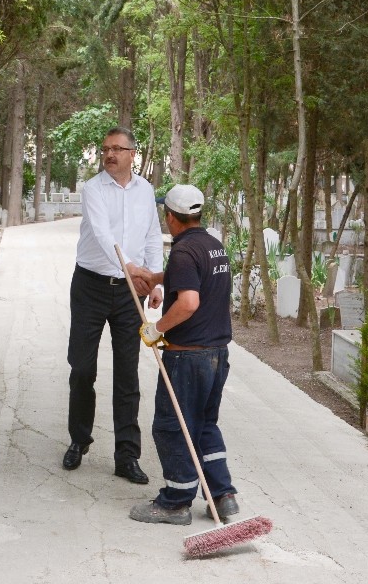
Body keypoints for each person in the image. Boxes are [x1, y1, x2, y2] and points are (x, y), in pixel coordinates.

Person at [126, 184, 237, 525]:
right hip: (217, 354)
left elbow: (189, 302)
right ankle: (223, 496)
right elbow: (194, 277)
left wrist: (157, 329)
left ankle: (175, 502)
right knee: (204, 427)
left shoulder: (183, 252)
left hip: (188, 357)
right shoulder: (212, 246)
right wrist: (153, 276)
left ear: (170, 217)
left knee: (173, 427)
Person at [63, 126, 163, 484]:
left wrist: (151, 280)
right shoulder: (93, 189)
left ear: (132, 155)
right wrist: (130, 267)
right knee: (82, 369)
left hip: (129, 292)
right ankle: (79, 439)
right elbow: (104, 235)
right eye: (105, 148)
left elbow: (152, 235)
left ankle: (127, 455)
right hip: (90, 286)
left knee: (127, 374)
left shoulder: (146, 190)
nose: (109, 154)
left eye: (117, 149)